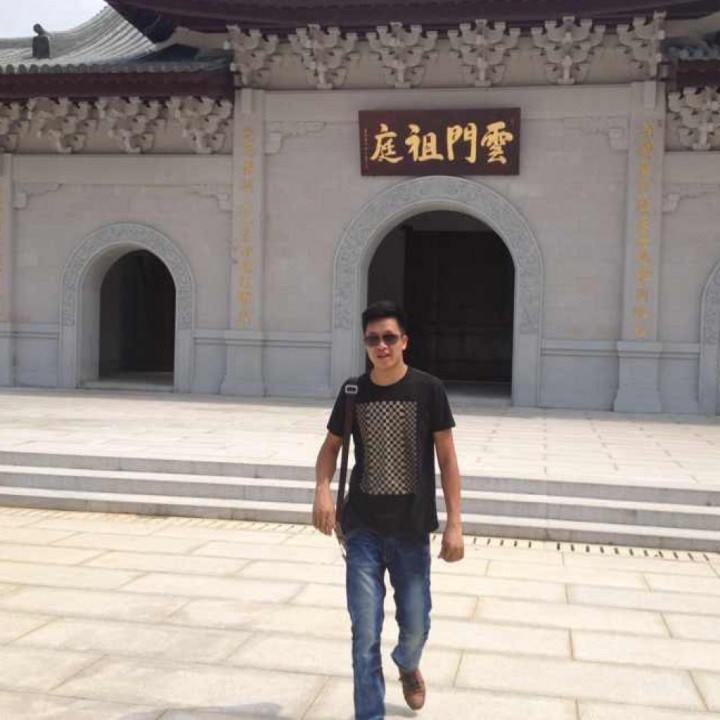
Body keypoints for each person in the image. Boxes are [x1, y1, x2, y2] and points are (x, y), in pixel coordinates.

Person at [313, 300, 464, 720]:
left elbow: (448, 458)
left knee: (416, 625)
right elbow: (330, 449)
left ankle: (407, 662)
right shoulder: (353, 392)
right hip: (362, 527)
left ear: (404, 341)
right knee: (364, 633)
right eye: (373, 339)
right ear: (365, 344)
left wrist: (455, 523)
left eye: (389, 338)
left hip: (412, 529)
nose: (381, 345)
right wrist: (322, 490)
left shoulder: (428, 389)